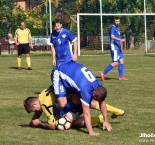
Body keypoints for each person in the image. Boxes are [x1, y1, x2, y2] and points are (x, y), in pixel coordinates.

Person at [52, 61, 115, 136]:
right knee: (62, 103)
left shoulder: (98, 85)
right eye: (95, 99)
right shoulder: (85, 90)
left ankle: (65, 111)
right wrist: (91, 131)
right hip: (59, 72)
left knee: (76, 100)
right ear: (94, 94)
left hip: (71, 69)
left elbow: (102, 103)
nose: (94, 100)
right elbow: (86, 113)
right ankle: (54, 110)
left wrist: (106, 121)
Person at [23, 87, 124, 130]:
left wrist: (39, 123)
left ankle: (99, 119)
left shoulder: (45, 106)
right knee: (91, 104)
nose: (36, 112)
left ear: (34, 105)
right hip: (75, 94)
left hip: (72, 103)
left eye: (34, 110)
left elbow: (53, 126)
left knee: (70, 123)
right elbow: (39, 110)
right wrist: (31, 122)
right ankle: (118, 111)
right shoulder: (43, 93)